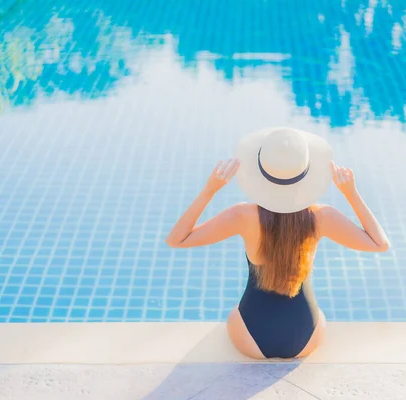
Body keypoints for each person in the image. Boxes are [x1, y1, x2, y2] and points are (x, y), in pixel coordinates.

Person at [166, 127, 390, 359]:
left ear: (260, 172)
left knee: (233, 315)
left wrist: (209, 190)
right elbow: (379, 244)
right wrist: (350, 193)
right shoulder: (322, 217)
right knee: (321, 315)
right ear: (306, 171)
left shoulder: (242, 216)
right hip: (306, 337)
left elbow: (177, 239)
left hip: (250, 338)